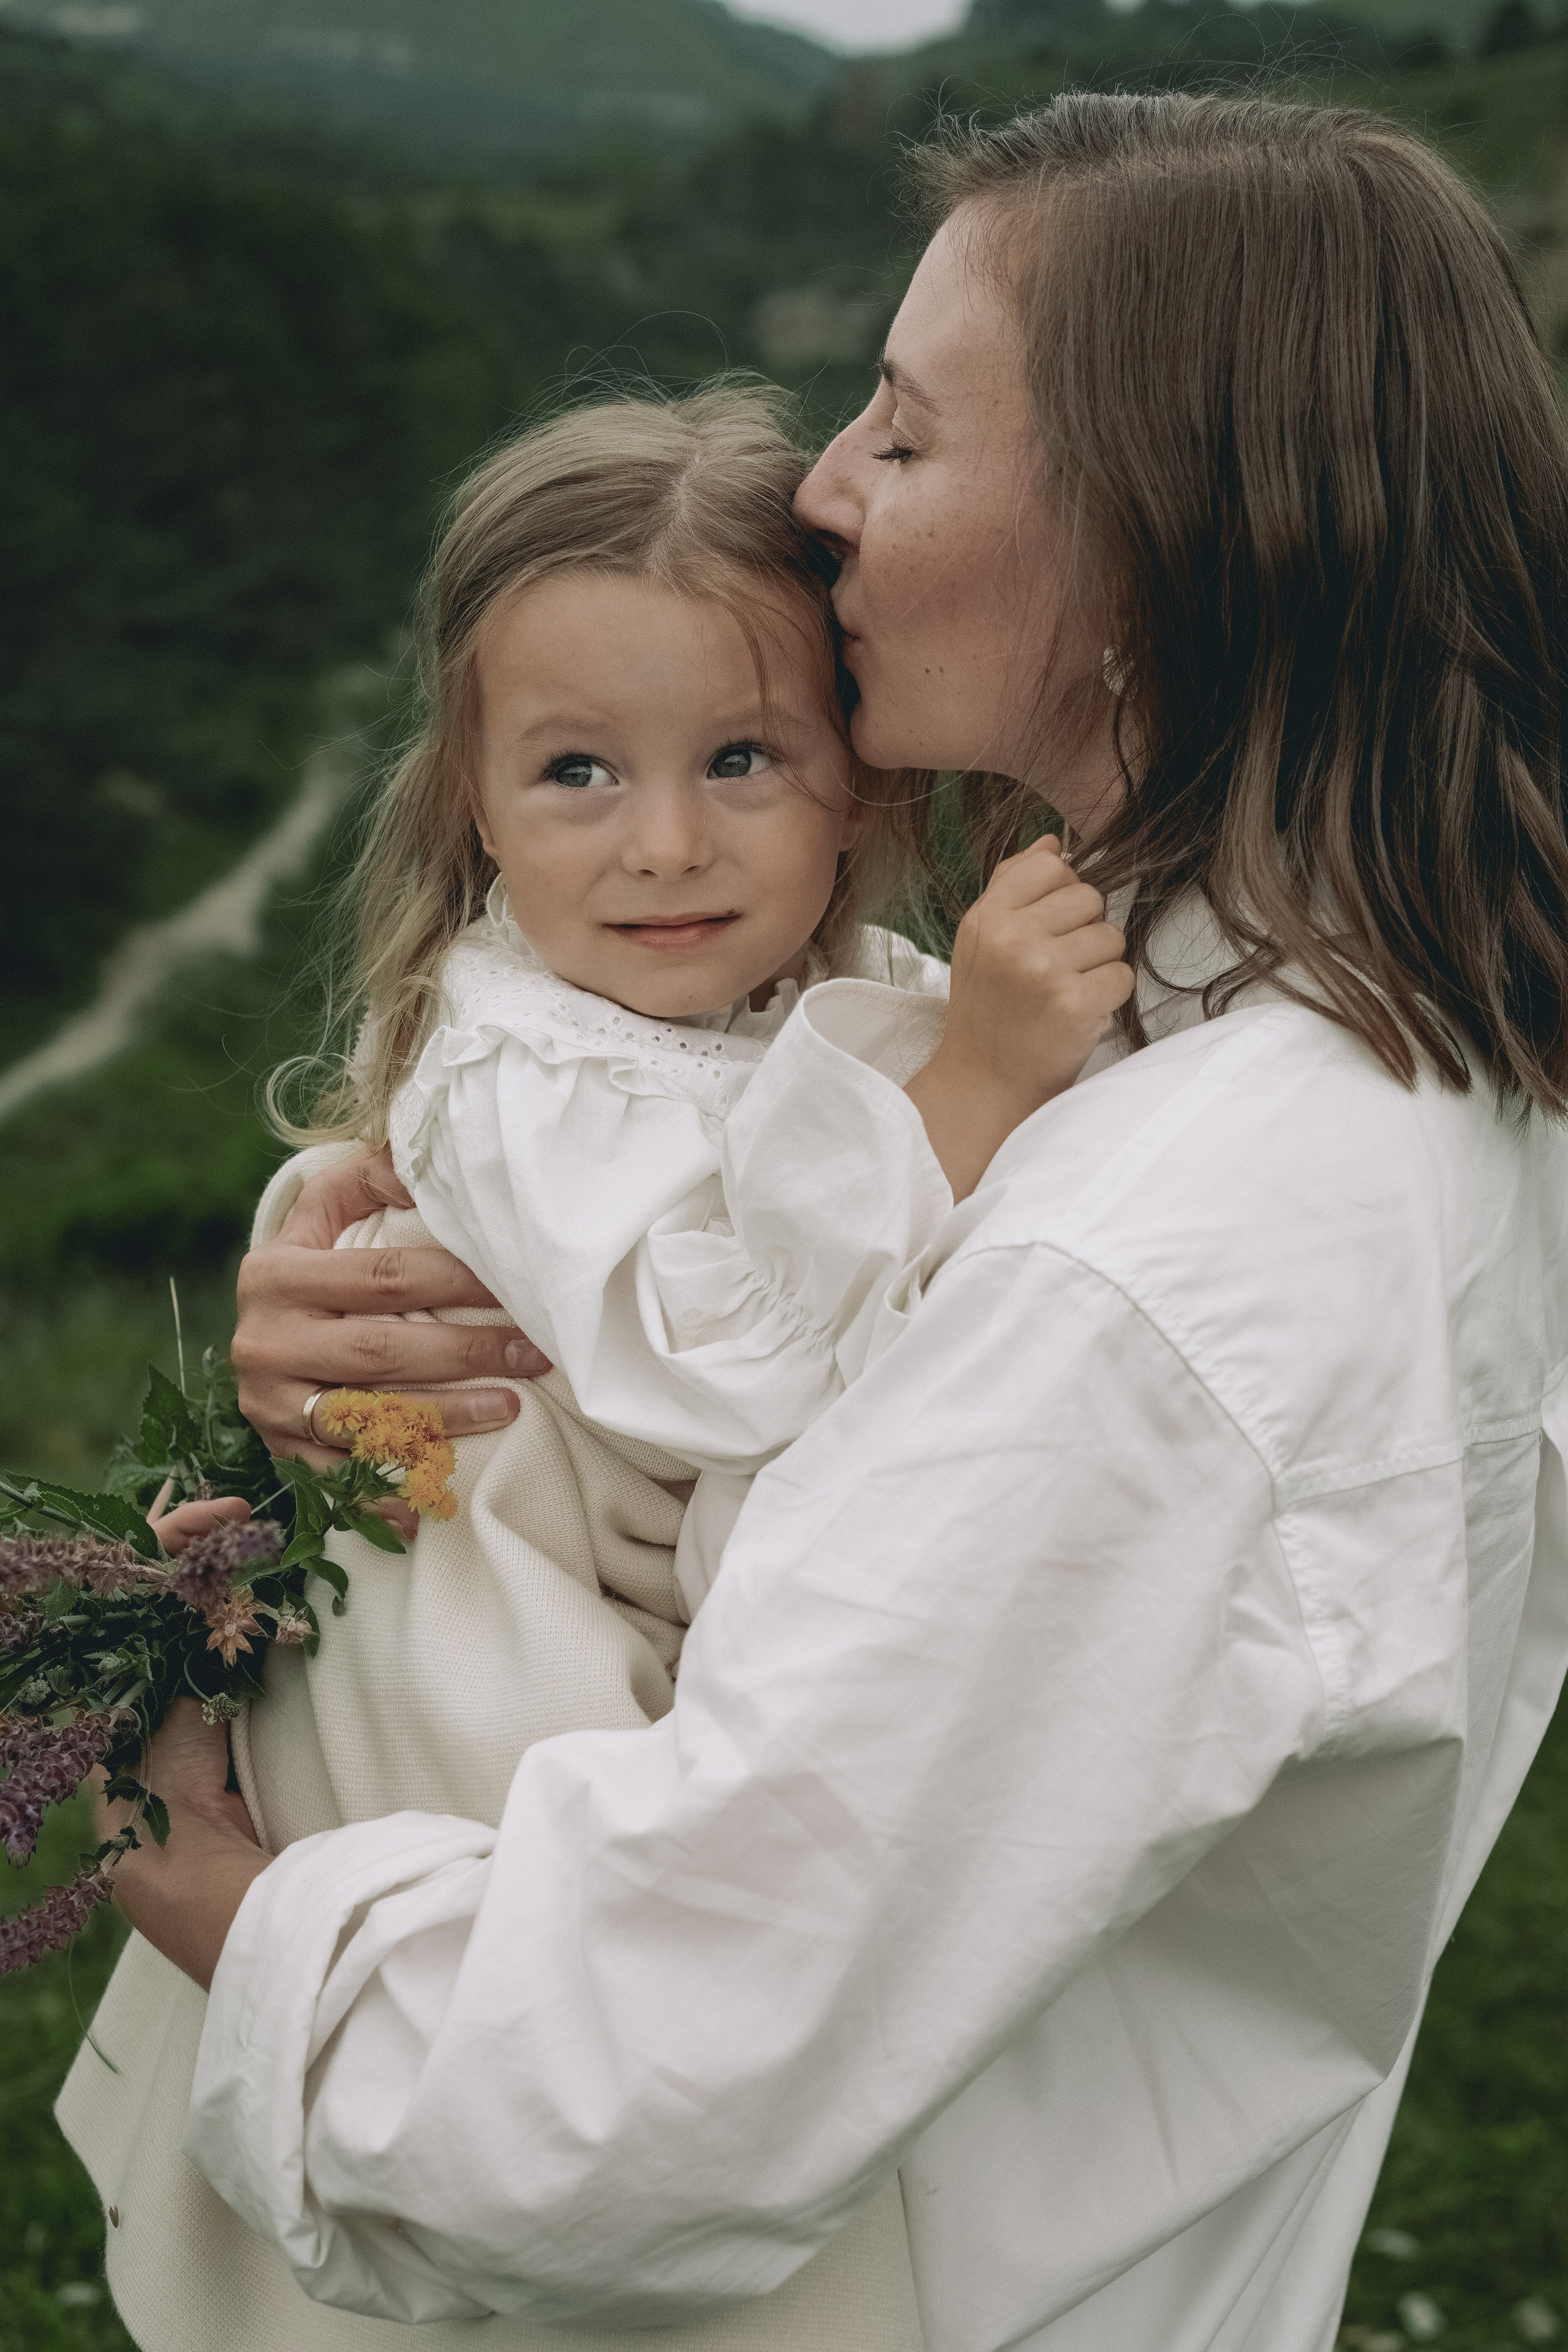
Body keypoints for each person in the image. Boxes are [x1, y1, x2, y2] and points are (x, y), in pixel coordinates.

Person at [89, 90, 1568, 2352]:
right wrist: (417, 1363)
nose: (822, 492)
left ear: (1157, 537)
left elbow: (609, 2105)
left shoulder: (1152, 1262)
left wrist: (223, 1905)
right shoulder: (1361, 1048)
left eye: (907, 426)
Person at [59, 388, 1126, 2352]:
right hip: (513, 1669)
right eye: (575, 772)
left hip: (687, 1641)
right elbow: (710, 1365)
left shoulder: (857, 1004)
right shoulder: (528, 1067)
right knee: (591, 2085)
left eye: (742, 757)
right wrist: (976, 1090)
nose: (665, 844)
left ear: (859, 782)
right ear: (473, 801)